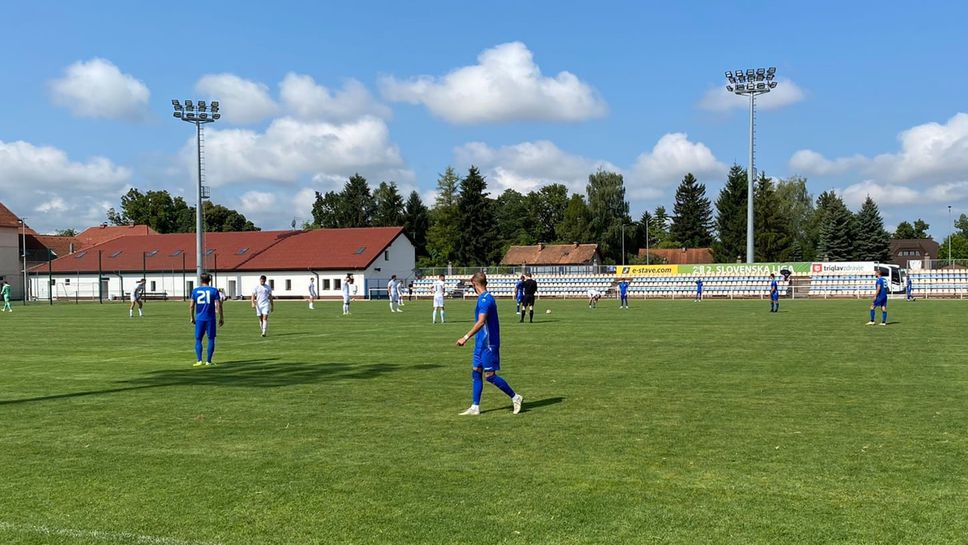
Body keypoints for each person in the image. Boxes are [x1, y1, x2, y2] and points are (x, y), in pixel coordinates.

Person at [455, 271, 523, 416]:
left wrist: (465, 337)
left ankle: (515, 397)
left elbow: (481, 322)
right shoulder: (482, 299)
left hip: (489, 344)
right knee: (476, 372)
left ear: (475, 284)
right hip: (480, 343)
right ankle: (475, 407)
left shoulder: (486, 299)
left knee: (490, 375)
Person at [190, 272, 223, 367]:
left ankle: (199, 360)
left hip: (199, 318)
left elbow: (191, 306)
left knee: (198, 339)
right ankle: (209, 361)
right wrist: (221, 317)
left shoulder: (195, 291)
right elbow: (218, 304)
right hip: (210, 318)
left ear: (201, 280)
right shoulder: (214, 290)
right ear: (210, 280)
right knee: (211, 339)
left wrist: (191, 317)